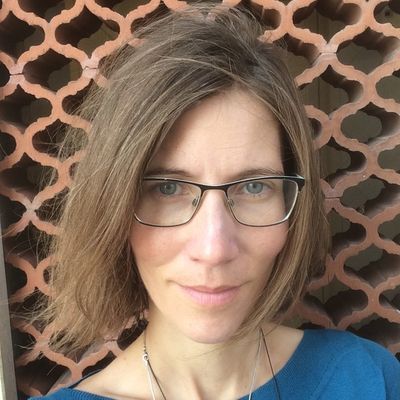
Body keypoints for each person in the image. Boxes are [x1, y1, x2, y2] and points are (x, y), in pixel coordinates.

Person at [29, 4, 400, 400]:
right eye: (167, 188)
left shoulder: (368, 379)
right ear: (114, 205)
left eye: (254, 187)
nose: (214, 249)